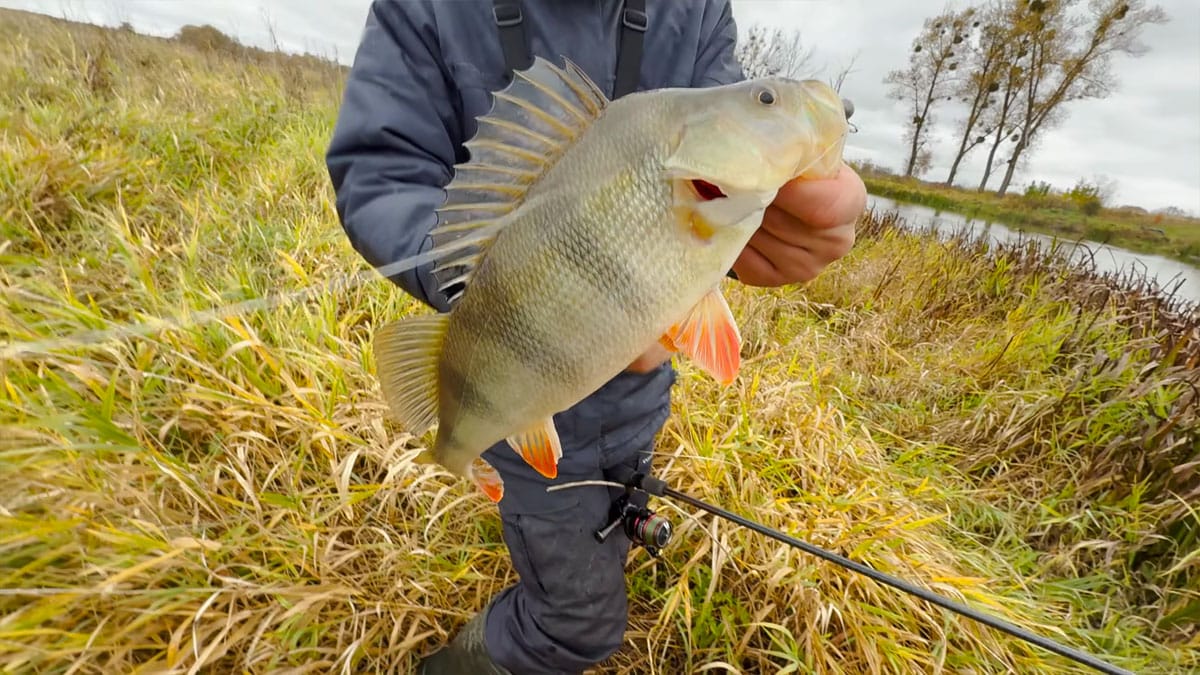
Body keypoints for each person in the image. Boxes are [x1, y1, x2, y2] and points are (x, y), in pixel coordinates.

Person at [324, 1, 867, 673]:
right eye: (764, 99)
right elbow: (381, 170)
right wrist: (497, 288)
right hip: (519, 386)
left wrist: (766, 235)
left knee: (611, 522)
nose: (775, 101)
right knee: (575, 625)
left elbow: (701, 227)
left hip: (638, 402)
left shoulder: (697, 10)